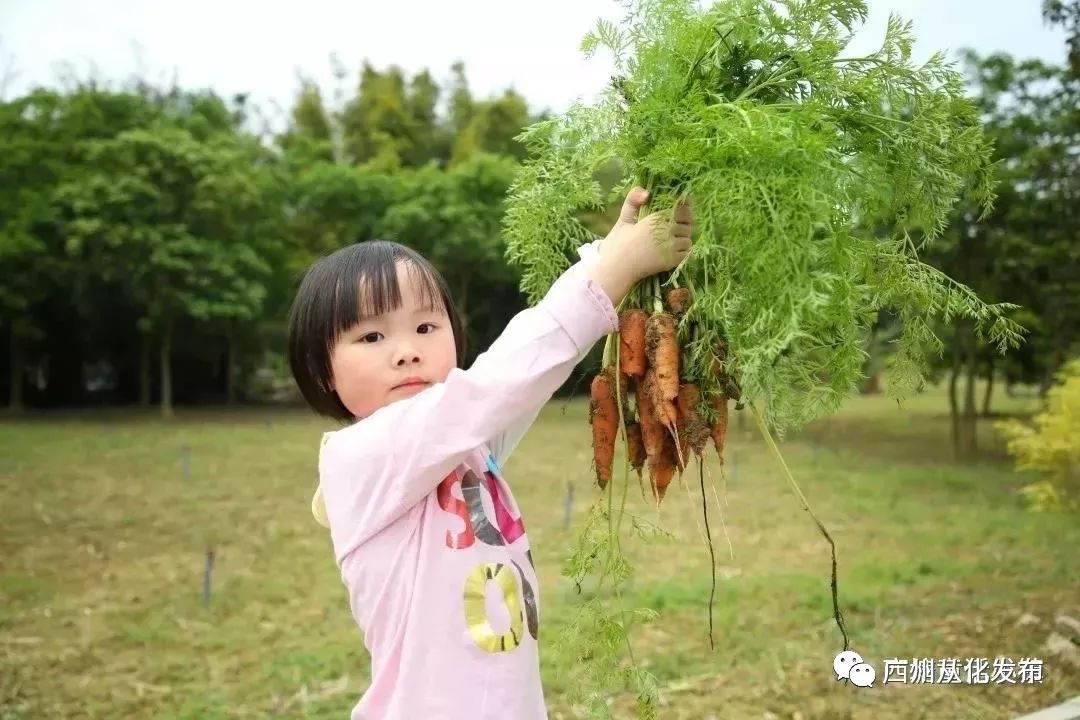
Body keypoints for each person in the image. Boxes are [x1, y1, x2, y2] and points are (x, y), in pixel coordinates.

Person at [286, 187, 693, 720]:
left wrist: (607, 256)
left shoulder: (466, 447)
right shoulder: (362, 456)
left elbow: (516, 378)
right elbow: (497, 383)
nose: (406, 348)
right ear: (322, 370)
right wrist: (613, 269)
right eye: (371, 336)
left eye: (426, 327)